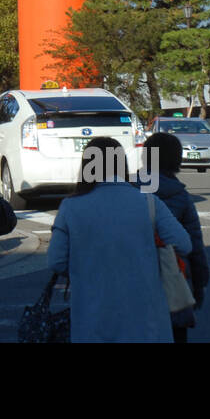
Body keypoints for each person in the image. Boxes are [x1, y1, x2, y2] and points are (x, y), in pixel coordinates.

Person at [46, 136, 190, 342]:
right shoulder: (148, 202)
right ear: (121, 164)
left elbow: (56, 261)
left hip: (92, 320)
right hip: (146, 322)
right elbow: (183, 243)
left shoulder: (71, 207)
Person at [138, 133, 209, 342]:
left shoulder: (130, 188)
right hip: (175, 279)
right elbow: (193, 243)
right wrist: (199, 283)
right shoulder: (180, 196)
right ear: (177, 160)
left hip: (135, 279)